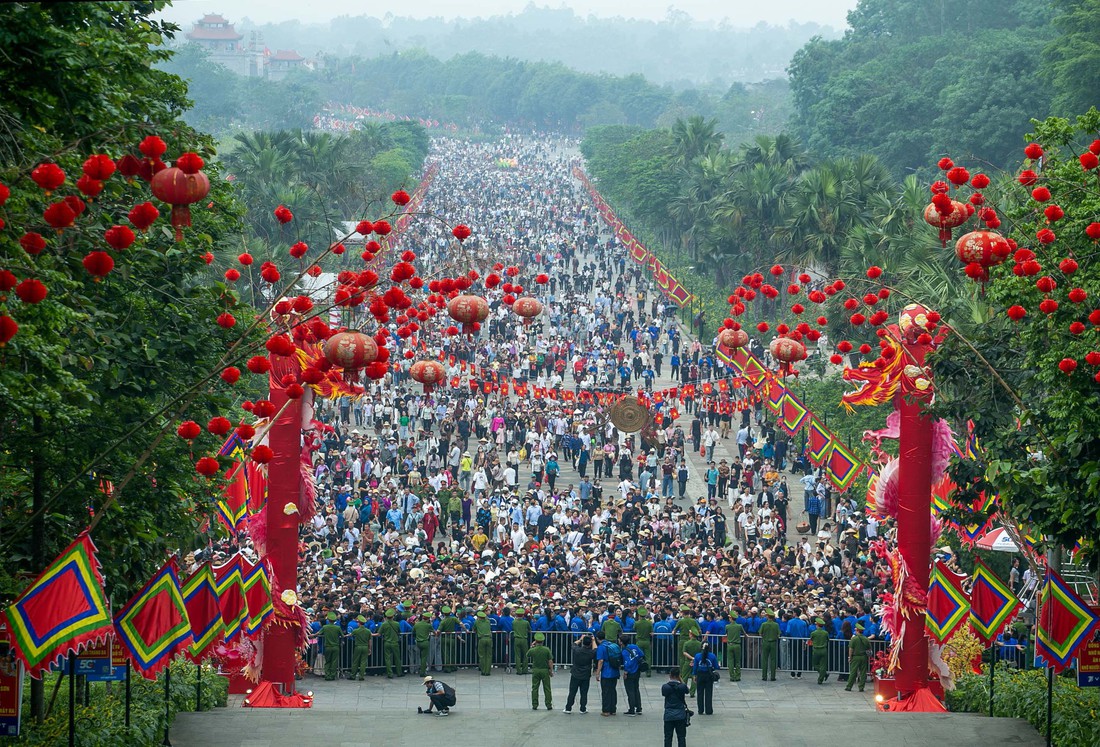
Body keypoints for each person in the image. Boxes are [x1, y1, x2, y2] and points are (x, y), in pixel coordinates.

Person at [564, 633, 596, 713]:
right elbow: (596, 649)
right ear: (590, 644)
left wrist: (581, 639)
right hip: (586, 675)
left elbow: (574, 644)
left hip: (575, 674)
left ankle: (568, 708)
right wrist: (593, 640)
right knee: (584, 693)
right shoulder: (590, 653)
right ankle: (583, 708)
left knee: (572, 692)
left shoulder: (577, 650)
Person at [661, 668, 690, 747]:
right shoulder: (682, 686)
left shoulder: (665, 687)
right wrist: (681, 680)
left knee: (668, 737)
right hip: (680, 715)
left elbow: (664, 694)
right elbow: (687, 690)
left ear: (670, 675)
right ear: (679, 676)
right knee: (681, 737)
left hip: (668, 715)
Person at [595, 630, 621, 716]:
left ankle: (606, 710)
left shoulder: (601, 647)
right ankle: (613, 709)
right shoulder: (612, 644)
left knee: (606, 691)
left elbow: (601, 661)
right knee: (613, 690)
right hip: (615, 671)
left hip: (606, 672)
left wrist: (597, 673)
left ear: (597, 638)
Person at [528, 631, 554, 710]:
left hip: (536, 670)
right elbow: (550, 661)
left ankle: (534, 704)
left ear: (535, 641)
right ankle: (548, 704)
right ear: (543, 641)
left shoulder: (533, 650)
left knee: (535, 688)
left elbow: (527, 654)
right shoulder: (546, 650)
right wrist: (551, 671)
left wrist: (532, 646)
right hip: (544, 670)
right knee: (547, 688)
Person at [691, 642, 719, 716]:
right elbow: (716, 666)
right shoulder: (712, 656)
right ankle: (708, 710)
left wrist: (694, 675)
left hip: (700, 675)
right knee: (708, 693)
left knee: (700, 693)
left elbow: (695, 667)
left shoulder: (697, 656)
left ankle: (700, 710)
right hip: (708, 675)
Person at [622, 635, 645, 716]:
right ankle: (639, 708)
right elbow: (642, 654)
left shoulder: (624, 651)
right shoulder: (635, 646)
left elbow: (627, 662)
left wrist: (625, 672)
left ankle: (632, 709)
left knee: (630, 691)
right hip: (637, 671)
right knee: (636, 689)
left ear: (621, 642)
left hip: (630, 672)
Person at [846, 622, 871, 692]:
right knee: (863, 672)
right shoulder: (866, 639)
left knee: (853, 672)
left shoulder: (854, 639)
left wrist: (849, 657)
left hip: (856, 657)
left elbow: (851, 649)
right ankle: (861, 687)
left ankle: (849, 686)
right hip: (864, 657)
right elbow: (869, 649)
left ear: (857, 630)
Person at [380, 608, 402, 678]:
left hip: (387, 642)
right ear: (393, 616)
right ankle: (399, 672)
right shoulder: (397, 624)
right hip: (395, 643)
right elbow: (399, 631)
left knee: (387, 659)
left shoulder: (384, 624)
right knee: (397, 658)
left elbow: (379, 633)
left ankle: (390, 673)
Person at [320, 612, 342, 681]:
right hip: (336, 647)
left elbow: (318, 633)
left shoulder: (325, 627)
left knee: (327, 661)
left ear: (328, 619)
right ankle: (332, 675)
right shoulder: (338, 627)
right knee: (334, 661)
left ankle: (327, 675)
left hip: (327, 647)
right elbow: (342, 635)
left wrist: (311, 636)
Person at [759, 609, 780, 681]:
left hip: (765, 642)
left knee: (764, 659)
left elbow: (760, 633)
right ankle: (773, 676)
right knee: (773, 660)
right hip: (773, 643)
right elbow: (778, 634)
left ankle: (764, 676)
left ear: (767, 616)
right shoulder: (776, 625)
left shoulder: (764, 624)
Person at [808, 617, 830, 685]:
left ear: (817, 625)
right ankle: (821, 679)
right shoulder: (825, 633)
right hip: (824, 650)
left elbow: (810, 640)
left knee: (814, 664)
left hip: (816, 650)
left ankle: (823, 674)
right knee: (823, 665)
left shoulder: (813, 633)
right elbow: (828, 640)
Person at [350, 614, 372, 680]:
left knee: (355, 662)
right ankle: (361, 676)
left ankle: (353, 675)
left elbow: (350, 635)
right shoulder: (368, 631)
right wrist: (369, 649)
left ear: (359, 623)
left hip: (358, 647)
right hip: (365, 647)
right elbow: (370, 641)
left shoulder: (356, 630)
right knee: (363, 662)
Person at [634, 606, 654, 677]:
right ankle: (648, 671)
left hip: (639, 641)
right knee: (648, 657)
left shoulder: (637, 623)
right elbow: (652, 632)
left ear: (639, 615)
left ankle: (638, 670)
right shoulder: (649, 623)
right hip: (647, 641)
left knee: (638, 656)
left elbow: (634, 629)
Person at [724, 611, 743, 682]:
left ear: (731, 618)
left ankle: (732, 676)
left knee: (730, 661)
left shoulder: (727, 626)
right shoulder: (739, 626)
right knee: (737, 661)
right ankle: (738, 676)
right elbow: (744, 633)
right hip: (737, 645)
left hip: (730, 645)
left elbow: (725, 633)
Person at [513, 607, 531, 675]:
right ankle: (525, 669)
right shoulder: (526, 622)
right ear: (523, 615)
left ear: (516, 615)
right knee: (525, 655)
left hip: (516, 639)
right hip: (524, 639)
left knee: (517, 655)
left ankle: (518, 670)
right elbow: (530, 629)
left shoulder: (514, 622)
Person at [474, 609, 493, 675]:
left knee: (482, 656)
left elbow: (474, 629)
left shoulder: (477, 622)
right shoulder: (488, 621)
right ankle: (488, 671)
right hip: (489, 639)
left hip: (481, 639)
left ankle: (483, 670)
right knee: (489, 656)